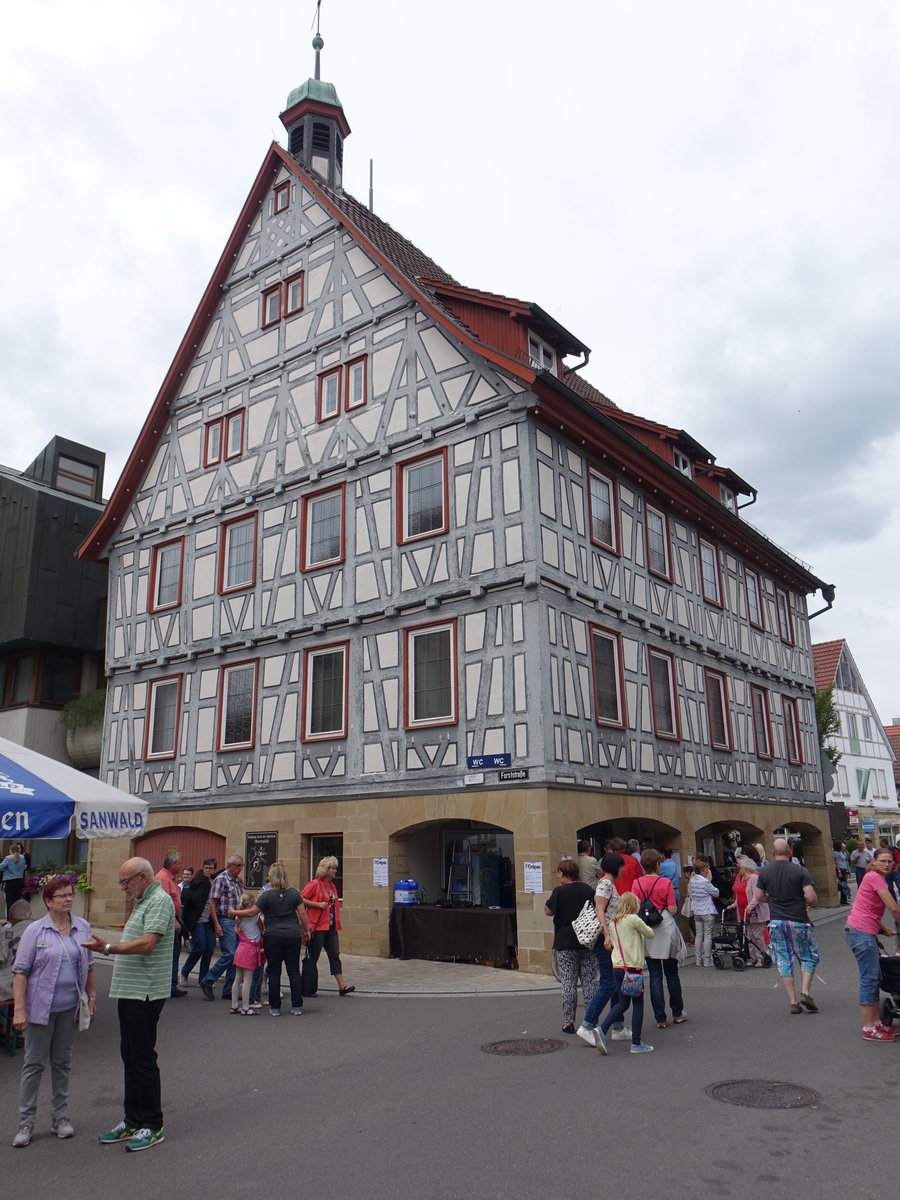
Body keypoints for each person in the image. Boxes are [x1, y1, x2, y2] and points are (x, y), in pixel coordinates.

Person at [82, 857, 175, 1152]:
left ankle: (152, 1124)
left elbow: (148, 943)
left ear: (142, 878)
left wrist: (108, 948)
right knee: (131, 1056)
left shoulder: (158, 900)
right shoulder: (143, 900)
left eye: (125, 882)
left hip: (145, 992)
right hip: (132, 991)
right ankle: (133, 1120)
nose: (122, 887)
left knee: (142, 1058)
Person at [10, 876, 96, 1148]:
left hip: (68, 1009)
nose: (69, 899)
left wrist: (91, 997)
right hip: (39, 1011)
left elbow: (90, 965)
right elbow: (20, 973)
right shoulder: (35, 931)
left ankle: (59, 1117)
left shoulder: (82, 927)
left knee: (62, 1063)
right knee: (34, 1065)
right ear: (48, 902)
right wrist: (19, 1011)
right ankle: (26, 1122)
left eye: (70, 894)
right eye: (62, 896)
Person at [230, 863, 309, 1016]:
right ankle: (297, 1006)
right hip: (292, 935)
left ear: (271, 878)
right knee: (293, 971)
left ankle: (275, 1008)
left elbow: (252, 912)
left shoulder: (266, 896)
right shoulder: (294, 894)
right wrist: (306, 931)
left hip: (272, 936)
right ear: (285, 877)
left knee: (274, 971)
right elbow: (302, 914)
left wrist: (234, 913)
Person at [755, 838, 819, 1015]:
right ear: (789, 851)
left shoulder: (765, 872)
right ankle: (805, 991)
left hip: (776, 921)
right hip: (799, 920)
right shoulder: (800, 870)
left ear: (773, 853)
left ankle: (793, 1001)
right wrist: (799, 900)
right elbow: (811, 897)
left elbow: (759, 895)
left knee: (784, 959)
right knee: (808, 956)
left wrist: (773, 899)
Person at [576, 852, 633, 1047]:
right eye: (622, 866)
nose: (624, 869)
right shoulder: (606, 885)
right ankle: (587, 1025)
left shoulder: (607, 884)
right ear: (616, 867)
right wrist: (607, 935)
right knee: (609, 983)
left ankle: (617, 1026)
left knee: (615, 981)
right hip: (605, 940)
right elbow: (600, 909)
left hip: (608, 939)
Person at [844, 847, 900, 1041]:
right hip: (861, 932)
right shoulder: (874, 877)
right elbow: (893, 907)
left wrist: (882, 928)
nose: (886, 864)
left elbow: (865, 907)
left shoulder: (875, 877)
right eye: (882, 860)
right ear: (874, 861)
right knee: (869, 978)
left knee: (874, 977)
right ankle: (869, 1027)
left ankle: (877, 1023)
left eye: (889, 861)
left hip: (862, 930)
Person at [631, 848, 686, 1028]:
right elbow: (672, 908)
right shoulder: (665, 883)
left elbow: (635, 907)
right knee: (671, 973)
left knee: (654, 974)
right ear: (657, 864)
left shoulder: (636, 883)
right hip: (665, 926)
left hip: (647, 928)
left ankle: (660, 1018)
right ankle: (677, 1012)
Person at [596, 891, 655, 1054]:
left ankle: (602, 1029)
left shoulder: (613, 923)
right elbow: (650, 933)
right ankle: (636, 1043)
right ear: (634, 905)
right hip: (632, 968)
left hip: (617, 967)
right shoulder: (634, 919)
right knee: (638, 1004)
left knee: (622, 1003)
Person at [544, 859, 598, 1034]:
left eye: (559, 873)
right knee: (589, 982)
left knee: (568, 981)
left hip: (565, 939)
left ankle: (569, 1021)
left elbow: (548, 910)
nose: (558, 876)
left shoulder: (559, 892)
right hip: (587, 939)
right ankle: (590, 1020)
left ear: (565, 874)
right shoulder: (587, 890)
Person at [301, 856, 355, 996]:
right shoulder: (315, 884)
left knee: (334, 955)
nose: (336, 871)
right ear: (326, 870)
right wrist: (318, 904)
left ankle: (342, 986)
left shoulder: (332, 886)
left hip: (330, 927)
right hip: (317, 927)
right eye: (333, 868)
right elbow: (301, 899)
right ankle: (308, 988)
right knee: (313, 957)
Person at [200, 854, 244, 1002]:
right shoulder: (221, 879)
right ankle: (208, 979)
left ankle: (228, 989)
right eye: (238, 866)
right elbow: (212, 904)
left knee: (236, 956)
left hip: (236, 921)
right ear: (229, 865)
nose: (240, 869)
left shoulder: (236, 880)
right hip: (225, 920)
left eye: (241, 866)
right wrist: (217, 924)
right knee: (230, 953)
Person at [179, 859, 217, 986]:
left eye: (210, 868)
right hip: (198, 921)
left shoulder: (215, 881)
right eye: (206, 867)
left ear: (214, 870)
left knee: (209, 949)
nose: (208, 870)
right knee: (199, 947)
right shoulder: (198, 880)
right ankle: (184, 971)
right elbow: (189, 899)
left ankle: (203, 978)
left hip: (210, 921)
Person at [155, 851, 186, 997]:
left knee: (174, 952)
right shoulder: (163, 878)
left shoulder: (170, 878)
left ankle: (171, 985)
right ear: (172, 865)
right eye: (179, 864)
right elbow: (164, 903)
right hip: (168, 922)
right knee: (170, 954)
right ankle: (168, 986)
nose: (181, 866)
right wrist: (173, 920)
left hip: (174, 919)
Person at [730, 855, 769, 966]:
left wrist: (750, 906)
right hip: (744, 913)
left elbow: (757, 896)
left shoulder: (754, 878)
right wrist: (734, 904)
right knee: (749, 936)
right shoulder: (742, 879)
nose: (739, 870)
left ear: (745, 868)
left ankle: (761, 957)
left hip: (755, 912)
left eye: (740, 868)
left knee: (757, 936)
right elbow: (740, 895)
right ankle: (753, 958)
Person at [230, 890, 262, 1015]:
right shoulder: (253, 914)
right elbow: (258, 915)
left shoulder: (238, 916)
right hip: (249, 949)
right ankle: (245, 1007)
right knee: (247, 980)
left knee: (238, 978)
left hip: (241, 948)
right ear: (250, 904)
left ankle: (234, 1005)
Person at [690, 853, 719, 967]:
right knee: (707, 935)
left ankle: (698, 959)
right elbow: (715, 892)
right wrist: (715, 889)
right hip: (707, 909)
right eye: (706, 870)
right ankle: (707, 959)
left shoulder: (693, 881)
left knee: (699, 935)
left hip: (697, 910)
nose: (707, 872)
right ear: (702, 870)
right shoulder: (705, 882)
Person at [1, 843, 28, 918]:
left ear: (10, 850)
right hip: (19, 882)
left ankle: (9, 920)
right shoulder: (22, 857)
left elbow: (0, 867)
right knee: (17, 902)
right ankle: (16, 920)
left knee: (9, 902)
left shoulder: (8, 858)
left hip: (10, 882)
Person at [833, 841, 851, 905]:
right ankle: (843, 900)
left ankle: (844, 899)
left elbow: (845, 860)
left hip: (844, 868)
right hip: (841, 869)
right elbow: (837, 863)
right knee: (843, 885)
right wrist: (839, 872)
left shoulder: (842, 852)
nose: (843, 846)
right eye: (841, 845)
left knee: (844, 885)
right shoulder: (836, 853)